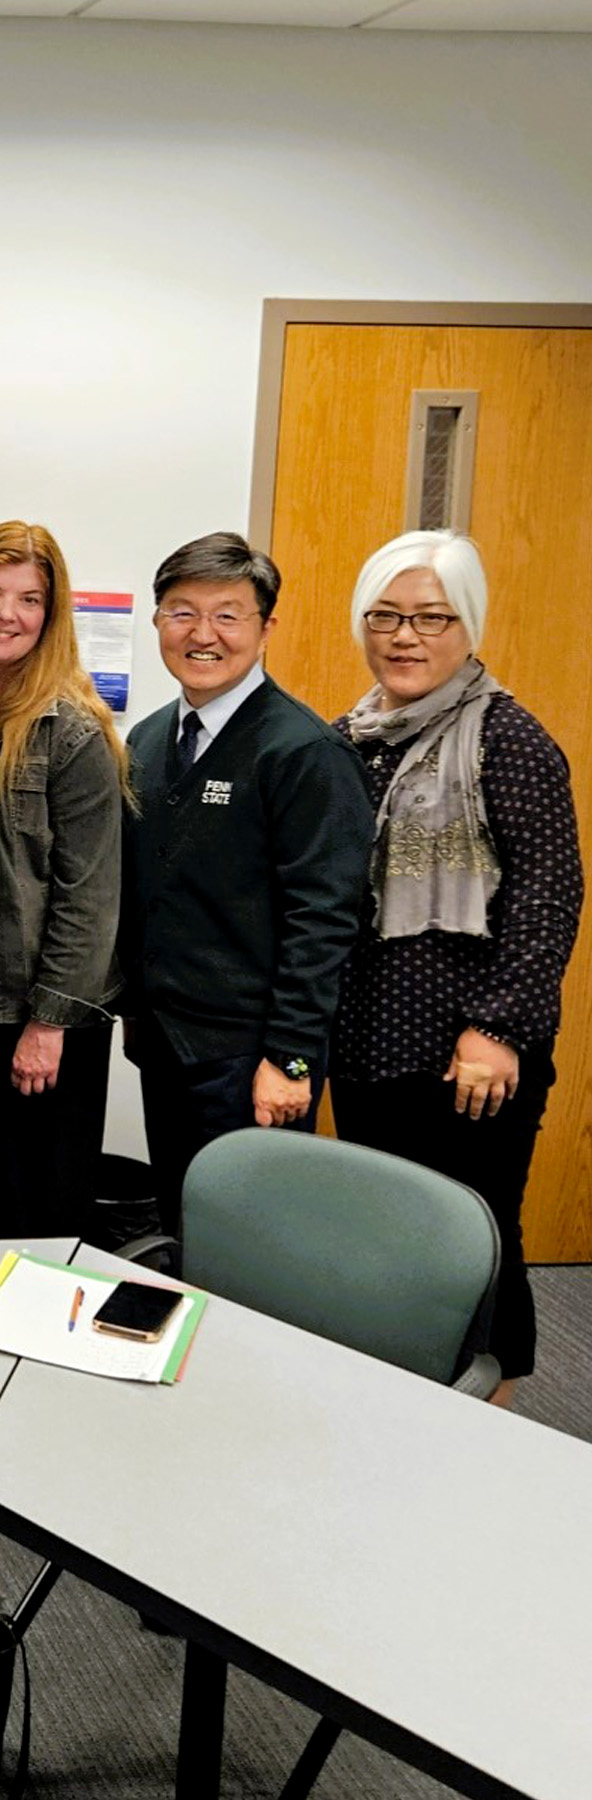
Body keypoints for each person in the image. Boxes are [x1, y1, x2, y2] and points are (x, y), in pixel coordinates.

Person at [326, 532, 581, 1406]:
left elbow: (549, 895)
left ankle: (488, 1418)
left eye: (431, 617)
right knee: (388, 1239)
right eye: (386, 616)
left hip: (470, 1052)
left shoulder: (507, 740)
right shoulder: (348, 739)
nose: (405, 636)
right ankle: (403, 1408)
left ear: (467, 626)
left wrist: (502, 1028)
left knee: (472, 1236)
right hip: (367, 1040)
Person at [121, 532, 372, 1237]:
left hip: (251, 1057)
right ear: (158, 622)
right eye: (182, 612)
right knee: (183, 1218)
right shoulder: (145, 741)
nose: (203, 635)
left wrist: (290, 1060)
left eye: (228, 615)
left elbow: (324, 919)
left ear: (266, 628)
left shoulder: (304, 753)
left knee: (250, 1240)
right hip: (168, 1047)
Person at [0, 523, 130, 1241]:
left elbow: (91, 894)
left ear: (51, 614)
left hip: (45, 1010)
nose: (7, 613)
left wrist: (49, 1022)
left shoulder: (71, 732)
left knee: (42, 1210)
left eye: (30, 599)